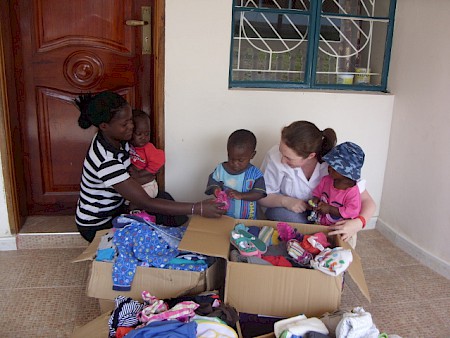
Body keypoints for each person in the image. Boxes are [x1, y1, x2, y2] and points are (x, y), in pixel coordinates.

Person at [74, 91, 225, 242]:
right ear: (104, 126)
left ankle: (184, 239)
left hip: (119, 206)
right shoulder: (106, 160)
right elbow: (145, 201)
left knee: (164, 199)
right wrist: (197, 208)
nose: (131, 127)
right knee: (151, 234)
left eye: (131, 120)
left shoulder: (116, 138)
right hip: (98, 224)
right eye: (124, 124)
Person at [259, 121, 375, 247]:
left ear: (311, 155)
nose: (282, 159)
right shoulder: (274, 156)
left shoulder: (334, 164)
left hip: (322, 215)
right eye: (282, 152)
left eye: (289, 158)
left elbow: (369, 202)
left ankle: (318, 244)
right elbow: (262, 196)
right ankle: (310, 244)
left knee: (338, 228)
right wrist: (286, 201)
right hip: (290, 212)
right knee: (296, 222)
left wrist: (358, 223)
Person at [205, 129, 266, 219]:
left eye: (240, 160)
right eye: (230, 158)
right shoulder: (221, 169)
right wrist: (216, 190)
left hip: (248, 218)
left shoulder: (255, 174)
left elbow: (259, 194)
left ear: (252, 155)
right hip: (224, 217)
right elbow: (213, 182)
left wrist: (241, 195)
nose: (235, 163)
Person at [308, 142, 365, 226]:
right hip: (320, 223)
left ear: (346, 172)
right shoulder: (326, 180)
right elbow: (317, 194)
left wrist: (330, 209)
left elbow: (351, 212)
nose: (329, 168)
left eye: (334, 167)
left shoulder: (352, 192)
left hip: (340, 229)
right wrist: (314, 201)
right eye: (329, 164)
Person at [128, 109, 165, 203]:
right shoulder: (128, 146)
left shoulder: (148, 148)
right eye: (139, 134)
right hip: (134, 186)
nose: (143, 137)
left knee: (139, 202)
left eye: (147, 134)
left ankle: (145, 216)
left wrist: (140, 173)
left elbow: (159, 161)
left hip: (148, 186)